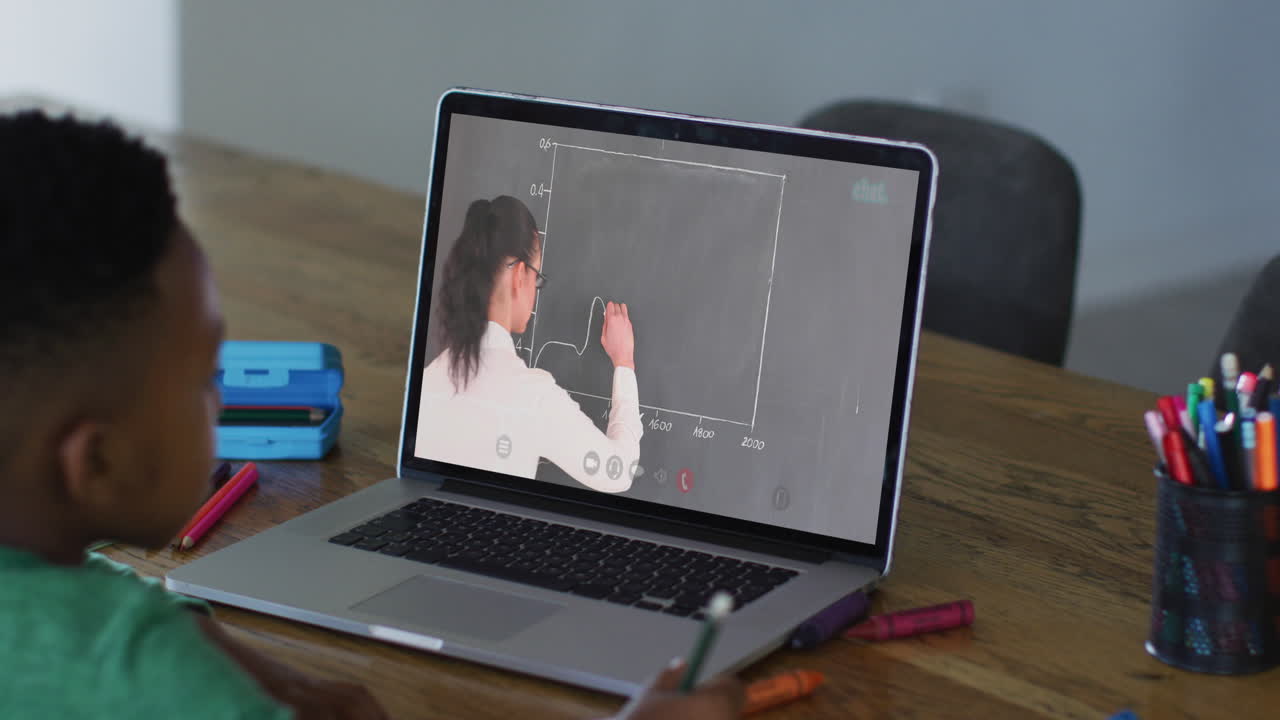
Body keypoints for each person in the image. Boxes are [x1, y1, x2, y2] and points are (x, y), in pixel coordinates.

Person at [0, 111, 741, 719]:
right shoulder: (153, 679)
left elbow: (71, 597)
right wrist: (624, 364)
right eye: (203, 379)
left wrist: (202, 639)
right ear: (96, 462)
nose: (221, 401)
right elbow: (616, 472)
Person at [417, 195, 643, 493]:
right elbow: (618, 471)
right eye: (538, 279)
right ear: (520, 275)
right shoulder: (533, 397)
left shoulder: (429, 380)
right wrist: (624, 361)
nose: (535, 294)